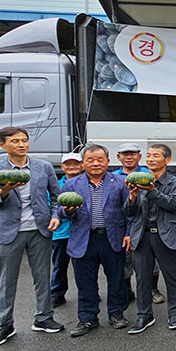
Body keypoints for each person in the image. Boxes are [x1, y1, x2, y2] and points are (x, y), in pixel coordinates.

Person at [0, 126, 63, 347]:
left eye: (24, 140)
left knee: (43, 276)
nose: (21, 144)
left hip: (39, 229)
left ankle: (44, 317)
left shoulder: (43, 167)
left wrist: (56, 216)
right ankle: (4, 325)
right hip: (9, 231)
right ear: (2, 145)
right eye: (15, 141)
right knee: (6, 281)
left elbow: (57, 197)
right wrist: (3, 191)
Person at [60, 144, 131, 337]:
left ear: (108, 161)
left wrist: (128, 233)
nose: (96, 163)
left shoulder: (120, 182)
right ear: (83, 163)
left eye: (100, 159)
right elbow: (60, 210)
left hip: (112, 237)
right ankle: (87, 317)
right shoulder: (71, 185)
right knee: (85, 281)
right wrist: (66, 211)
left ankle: (117, 313)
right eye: (90, 160)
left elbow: (130, 212)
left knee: (116, 278)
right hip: (84, 239)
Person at [123, 143, 176, 332]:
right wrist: (132, 196)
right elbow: (128, 211)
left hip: (166, 235)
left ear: (167, 160)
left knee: (172, 277)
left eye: (156, 155)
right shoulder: (136, 180)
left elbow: (172, 204)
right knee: (142, 278)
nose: (150, 159)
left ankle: (175, 315)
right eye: (149, 155)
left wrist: (151, 190)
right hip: (142, 235)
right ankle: (144, 316)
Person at [114, 143, 152, 306]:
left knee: (150, 264)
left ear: (139, 156)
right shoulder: (114, 177)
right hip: (123, 225)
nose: (129, 157)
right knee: (125, 262)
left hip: (146, 225)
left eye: (132, 153)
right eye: (125, 154)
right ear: (118, 157)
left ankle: (153, 290)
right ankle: (127, 290)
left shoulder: (148, 174)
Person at [51, 152, 82, 309]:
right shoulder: (56, 185)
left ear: (82, 165)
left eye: (76, 164)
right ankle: (57, 293)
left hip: (82, 232)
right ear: (62, 167)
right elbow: (51, 206)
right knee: (59, 264)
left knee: (83, 267)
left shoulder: (86, 183)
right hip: (61, 232)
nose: (72, 167)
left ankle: (88, 292)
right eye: (68, 164)